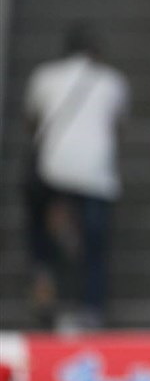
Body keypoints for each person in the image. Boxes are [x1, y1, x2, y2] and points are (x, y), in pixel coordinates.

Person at [23, 22, 130, 329]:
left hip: (53, 173)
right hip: (97, 175)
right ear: (97, 53)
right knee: (95, 247)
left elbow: (32, 123)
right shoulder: (114, 82)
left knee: (42, 229)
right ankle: (91, 307)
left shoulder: (44, 76)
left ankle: (45, 279)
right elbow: (118, 127)